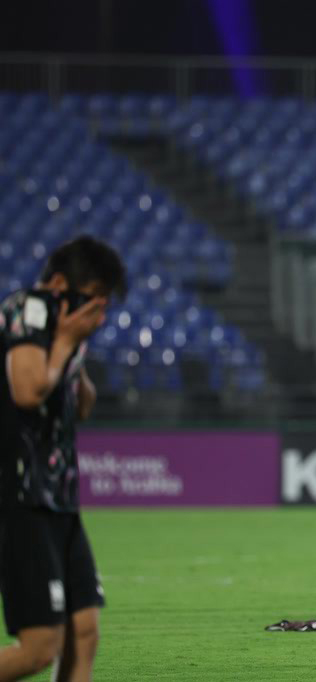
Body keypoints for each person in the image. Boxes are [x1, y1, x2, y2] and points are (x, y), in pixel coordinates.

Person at [0, 235, 126, 681]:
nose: (99, 313)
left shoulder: (64, 330)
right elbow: (27, 391)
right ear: (59, 284)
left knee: (84, 633)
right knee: (39, 650)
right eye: (93, 299)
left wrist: (75, 349)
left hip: (59, 496)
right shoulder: (27, 310)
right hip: (21, 495)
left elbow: (83, 406)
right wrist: (67, 341)